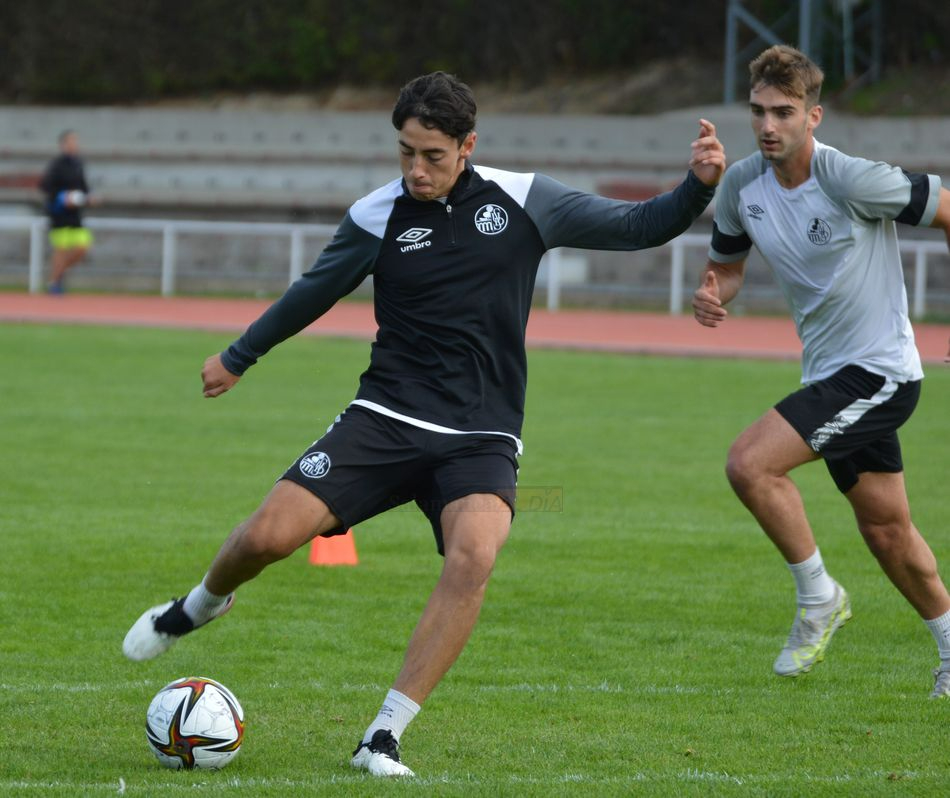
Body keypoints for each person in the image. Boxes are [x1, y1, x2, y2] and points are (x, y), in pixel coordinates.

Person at [123, 71, 726, 777]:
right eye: (405, 152)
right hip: (383, 418)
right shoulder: (378, 215)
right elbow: (313, 291)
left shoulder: (526, 201)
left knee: (473, 556)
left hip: (481, 434)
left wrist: (699, 187)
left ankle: (383, 735)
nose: (415, 169)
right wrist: (238, 355)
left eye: (432, 155)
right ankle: (197, 607)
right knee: (265, 537)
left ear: (467, 146)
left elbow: (639, 226)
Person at [692, 45, 950, 696]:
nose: (768, 125)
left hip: (882, 373)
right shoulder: (742, 186)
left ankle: (818, 597)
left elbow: (947, 206)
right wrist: (712, 292)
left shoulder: (851, 179)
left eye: (784, 112)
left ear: (815, 116)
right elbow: (728, 268)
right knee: (888, 532)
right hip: (829, 377)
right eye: (758, 112)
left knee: (750, 463)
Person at [39, 129, 95, 294]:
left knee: (82, 247)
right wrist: (64, 197)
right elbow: (46, 187)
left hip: (75, 215)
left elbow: (84, 188)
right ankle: (54, 284)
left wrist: (87, 198)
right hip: (59, 214)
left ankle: (58, 274)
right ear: (63, 144)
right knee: (61, 249)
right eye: (71, 141)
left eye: (75, 141)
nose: (74, 144)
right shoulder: (56, 165)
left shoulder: (78, 164)